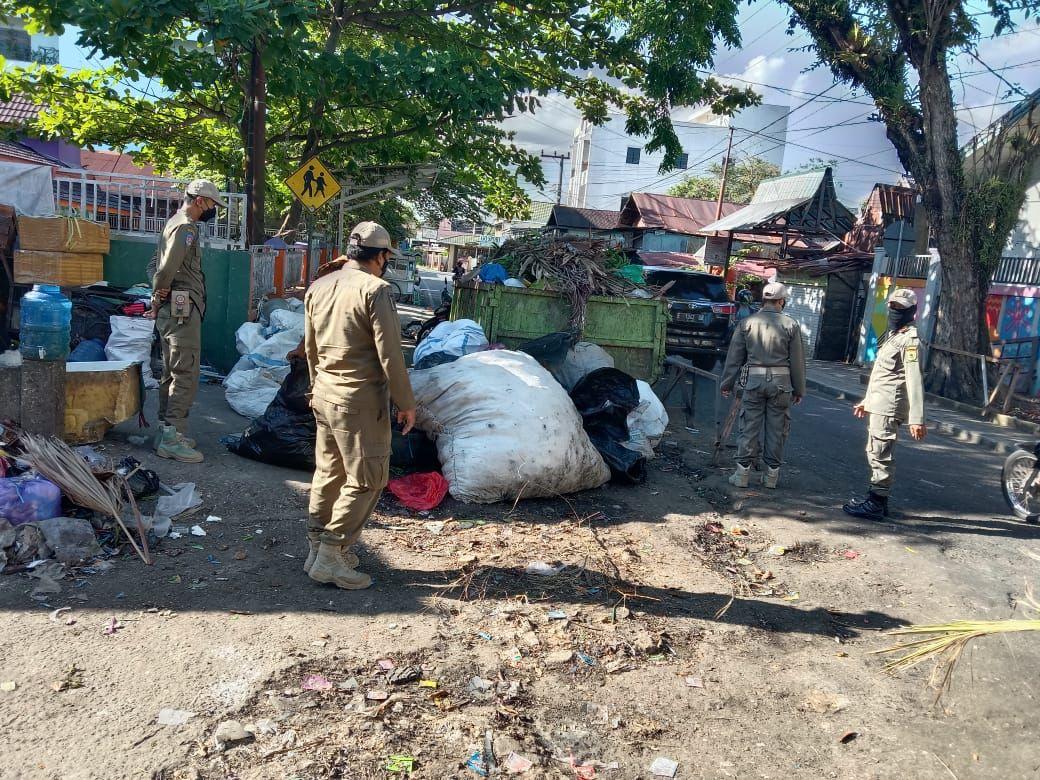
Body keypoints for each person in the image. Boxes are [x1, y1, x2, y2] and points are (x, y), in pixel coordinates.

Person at [303, 221, 417, 590]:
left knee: (329, 473)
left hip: (324, 394)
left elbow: (309, 348)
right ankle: (332, 554)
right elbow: (391, 356)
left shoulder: (319, 286)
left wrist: (314, 387)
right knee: (368, 478)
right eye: (387, 257)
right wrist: (406, 403)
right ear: (381, 256)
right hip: (359, 401)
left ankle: (316, 547)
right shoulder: (376, 290)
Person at [150, 179, 226, 463]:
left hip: (175, 307)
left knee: (171, 370)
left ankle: (165, 428)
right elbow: (166, 268)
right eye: (212, 204)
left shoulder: (174, 222)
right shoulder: (185, 228)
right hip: (181, 309)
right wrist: (157, 298)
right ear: (199, 201)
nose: (213, 210)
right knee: (185, 372)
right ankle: (172, 435)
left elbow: (155, 264)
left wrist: (159, 297)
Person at [843, 288, 926, 519]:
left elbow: (914, 379)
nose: (894, 311)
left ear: (912, 311)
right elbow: (883, 376)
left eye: (900, 308)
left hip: (890, 406)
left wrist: (917, 418)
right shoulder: (894, 336)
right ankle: (878, 500)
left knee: (880, 453)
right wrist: (867, 401)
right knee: (874, 451)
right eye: (892, 306)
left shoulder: (910, 341)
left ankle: (876, 502)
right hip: (880, 403)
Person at [720, 281, 806, 489]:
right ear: (782, 301)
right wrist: (799, 389)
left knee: (749, 426)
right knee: (777, 429)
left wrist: (727, 383)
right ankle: (770, 478)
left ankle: (741, 475)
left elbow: (734, 358)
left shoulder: (747, 323)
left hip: (754, 381)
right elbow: (797, 361)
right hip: (782, 384)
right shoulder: (791, 325)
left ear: (763, 300)